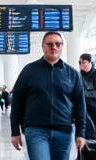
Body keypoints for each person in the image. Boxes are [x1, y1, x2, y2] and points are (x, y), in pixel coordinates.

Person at [10, 31, 87, 160]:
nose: (54, 47)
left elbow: (80, 104)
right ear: (43, 46)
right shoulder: (29, 71)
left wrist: (81, 133)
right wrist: (15, 131)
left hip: (64, 131)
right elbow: (17, 101)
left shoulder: (72, 74)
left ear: (62, 46)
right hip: (36, 131)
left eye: (58, 44)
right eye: (49, 44)